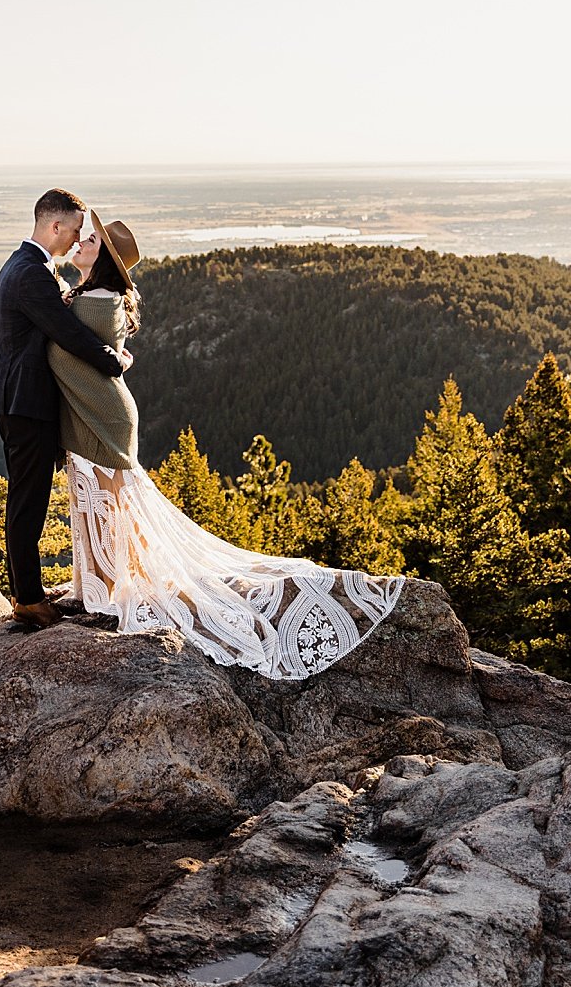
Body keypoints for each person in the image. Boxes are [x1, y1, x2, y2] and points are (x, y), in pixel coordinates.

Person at [47, 212, 407, 679]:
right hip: (95, 411)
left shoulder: (93, 299)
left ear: (103, 261)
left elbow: (66, 338)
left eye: (89, 240)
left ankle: (106, 592)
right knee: (93, 499)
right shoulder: (97, 295)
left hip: (102, 416)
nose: (80, 242)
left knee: (103, 502)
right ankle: (94, 586)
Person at [0, 189, 132, 629]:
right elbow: (68, 333)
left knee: (27, 497)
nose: (75, 240)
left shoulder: (29, 266)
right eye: (73, 231)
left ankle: (31, 591)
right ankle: (29, 599)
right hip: (25, 404)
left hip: (21, 400)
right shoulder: (31, 274)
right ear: (55, 227)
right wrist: (116, 360)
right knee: (28, 501)